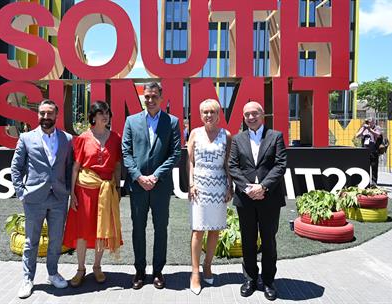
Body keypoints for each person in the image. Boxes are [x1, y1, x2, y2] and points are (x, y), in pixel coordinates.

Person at [11, 99, 73, 299]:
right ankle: (28, 279)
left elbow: (70, 167)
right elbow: (16, 167)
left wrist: (69, 192)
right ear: (38, 115)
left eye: (49, 113)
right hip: (34, 199)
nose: (45, 117)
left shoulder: (67, 139)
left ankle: (53, 274)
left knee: (56, 241)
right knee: (31, 242)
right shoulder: (26, 138)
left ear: (56, 115)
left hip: (58, 199)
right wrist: (21, 192)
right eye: (42, 113)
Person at [122, 82, 182, 290]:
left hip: (160, 186)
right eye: (147, 96)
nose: (150, 100)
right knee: (138, 228)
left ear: (161, 97)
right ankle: (139, 271)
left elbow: (175, 153)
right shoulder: (131, 121)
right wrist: (139, 177)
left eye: (154, 96)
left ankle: (158, 271)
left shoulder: (172, 122)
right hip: (138, 186)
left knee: (161, 229)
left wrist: (155, 176)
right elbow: (126, 153)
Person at [228, 101, 287, 301]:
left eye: (255, 113)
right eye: (247, 115)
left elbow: (280, 165)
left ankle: (269, 281)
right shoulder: (237, 139)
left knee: (269, 241)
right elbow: (233, 166)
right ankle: (250, 279)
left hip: (269, 197)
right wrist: (247, 188)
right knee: (248, 240)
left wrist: (263, 187)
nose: (251, 117)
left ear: (262, 115)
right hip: (245, 199)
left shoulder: (276, 136)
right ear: (243, 117)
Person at [63, 101, 123, 287]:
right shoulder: (83, 138)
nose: (105, 116)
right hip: (85, 190)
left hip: (106, 191)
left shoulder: (115, 138)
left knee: (102, 231)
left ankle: (97, 266)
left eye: (107, 112)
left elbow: (117, 165)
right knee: (82, 232)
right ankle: (81, 269)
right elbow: (76, 168)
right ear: (93, 116)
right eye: (101, 112)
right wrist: (72, 193)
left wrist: (118, 188)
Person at [187, 99, 233, 295]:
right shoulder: (195, 133)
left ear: (218, 114)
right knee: (198, 230)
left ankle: (208, 266)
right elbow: (190, 162)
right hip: (199, 187)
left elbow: (228, 164)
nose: (208, 115)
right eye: (205, 112)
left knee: (214, 230)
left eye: (212, 112)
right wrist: (191, 184)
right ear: (200, 114)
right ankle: (195, 273)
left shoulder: (227, 135)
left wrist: (229, 186)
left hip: (219, 187)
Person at [355, 117, 382, 186]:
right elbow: (357, 135)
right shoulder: (364, 128)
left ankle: (374, 182)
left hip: (374, 151)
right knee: (365, 167)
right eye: (367, 122)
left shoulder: (377, 128)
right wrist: (364, 128)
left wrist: (370, 130)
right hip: (365, 151)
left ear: (373, 122)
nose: (368, 123)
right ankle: (366, 182)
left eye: (369, 122)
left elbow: (377, 135)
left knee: (374, 167)